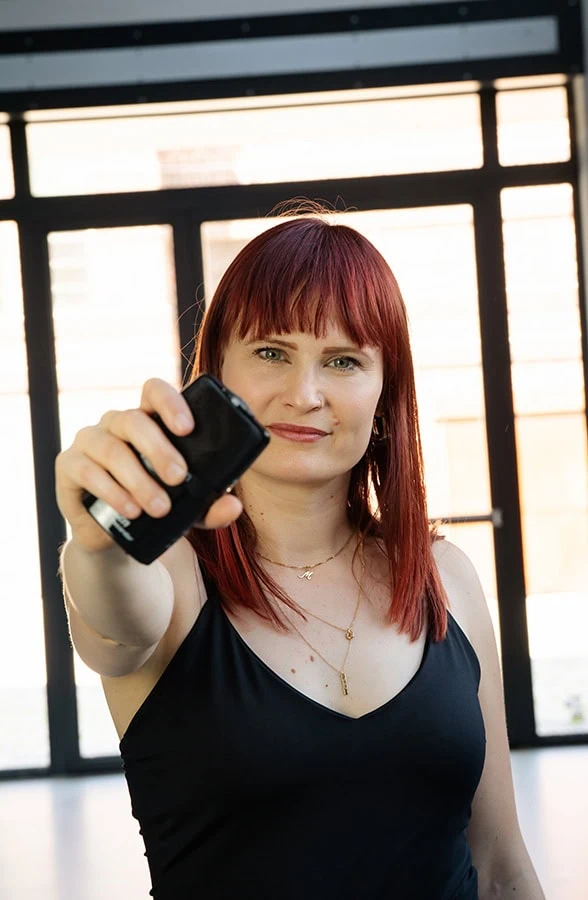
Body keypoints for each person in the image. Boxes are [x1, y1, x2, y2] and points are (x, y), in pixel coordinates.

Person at [56, 209, 545, 900]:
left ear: (384, 394)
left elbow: (501, 868)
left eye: (343, 361)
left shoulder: (445, 576)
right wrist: (98, 540)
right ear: (217, 371)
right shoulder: (172, 575)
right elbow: (109, 619)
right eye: (271, 352)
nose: (305, 394)